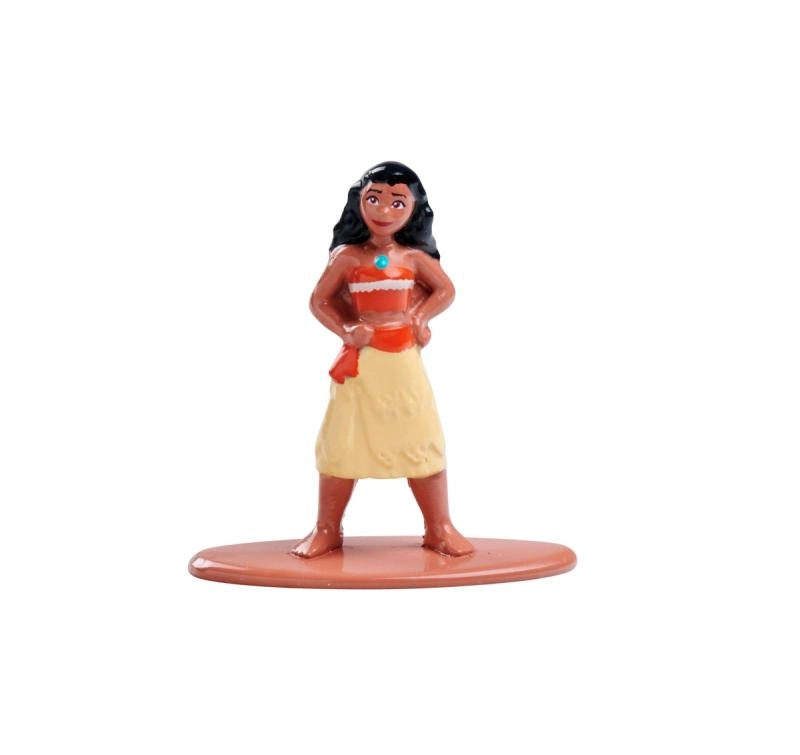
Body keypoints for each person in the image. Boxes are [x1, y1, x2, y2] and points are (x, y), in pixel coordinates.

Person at [292, 162, 474, 559]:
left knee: (420, 437)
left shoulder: (412, 258)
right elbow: (319, 301)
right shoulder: (347, 258)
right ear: (359, 202)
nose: (384, 210)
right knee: (342, 441)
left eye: (397, 202)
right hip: (363, 360)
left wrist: (419, 317)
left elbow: (445, 289)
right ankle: (327, 528)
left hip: (402, 359)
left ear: (414, 209)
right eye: (374, 199)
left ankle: (439, 527)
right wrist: (346, 329)